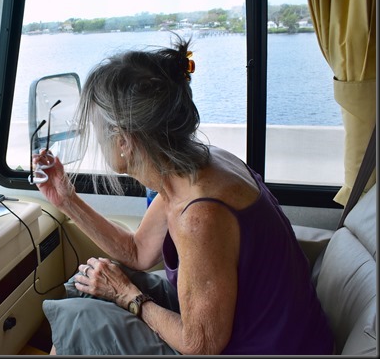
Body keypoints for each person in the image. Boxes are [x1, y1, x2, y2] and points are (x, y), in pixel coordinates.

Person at [32, 35, 335, 355]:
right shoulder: (193, 167)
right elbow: (137, 252)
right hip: (253, 329)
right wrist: (66, 199)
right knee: (88, 285)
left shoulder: (200, 215)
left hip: (263, 349)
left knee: (80, 320)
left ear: (123, 141)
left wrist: (128, 296)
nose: (96, 140)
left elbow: (200, 345)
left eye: (96, 129)